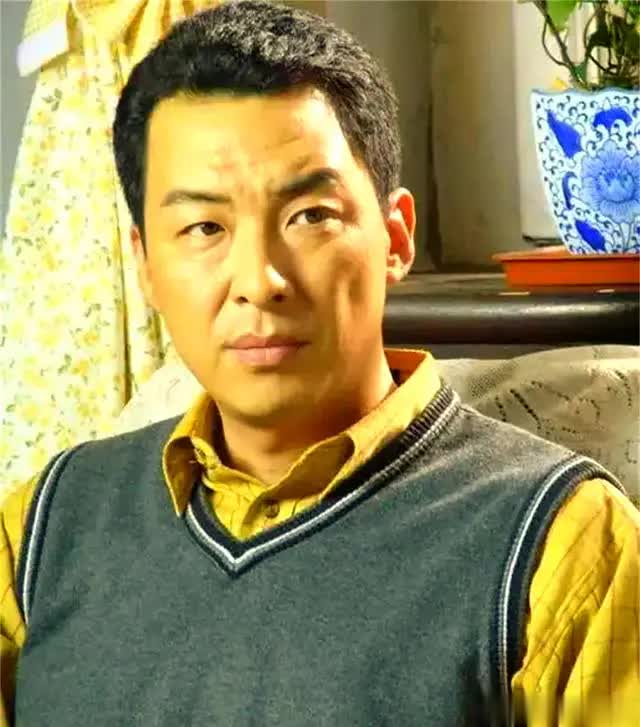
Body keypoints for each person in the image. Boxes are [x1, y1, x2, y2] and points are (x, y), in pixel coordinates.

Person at [1, 1, 638, 725]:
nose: (259, 279)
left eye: (309, 217)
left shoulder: (566, 544)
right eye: (204, 226)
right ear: (146, 264)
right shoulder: (38, 532)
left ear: (396, 238)